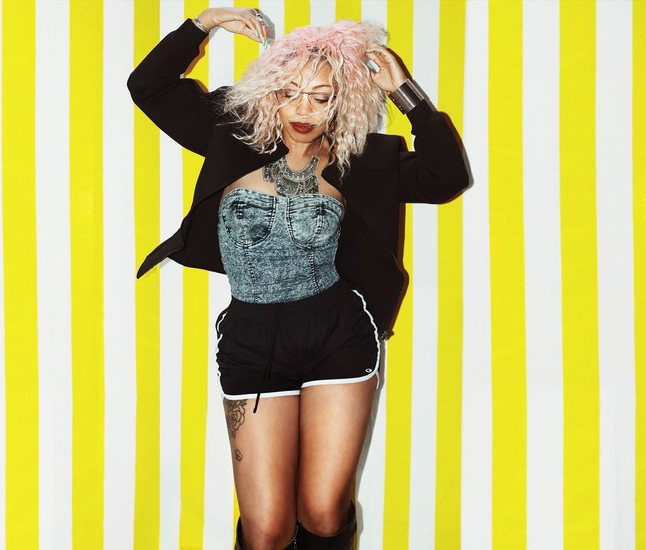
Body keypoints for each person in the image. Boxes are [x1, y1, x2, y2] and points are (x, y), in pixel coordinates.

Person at [128, 6, 471, 550]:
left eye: (321, 96)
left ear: (344, 99)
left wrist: (407, 94)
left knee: (324, 513)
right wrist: (205, 23)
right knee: (266, 530)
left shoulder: (366, 160)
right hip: (251, 339)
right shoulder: (231, 136)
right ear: (270, 93)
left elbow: (446, 177)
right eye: (290, 92)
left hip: (339, 336)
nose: (304, 108)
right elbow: (148, 86)